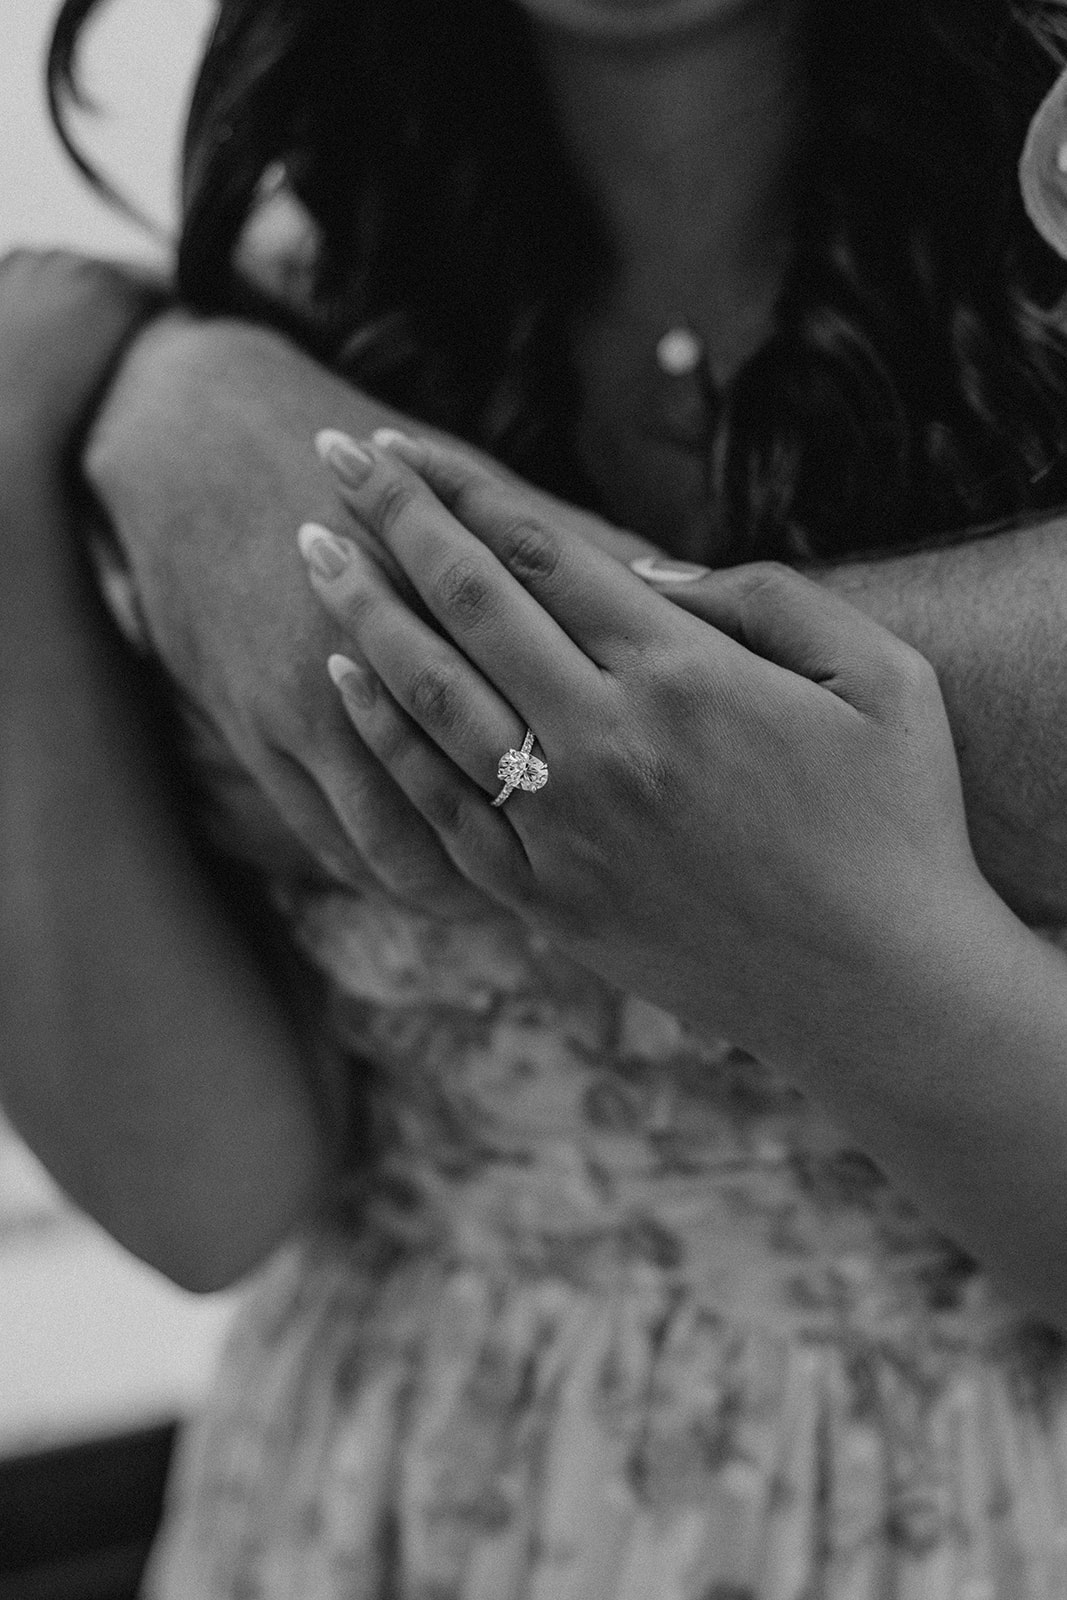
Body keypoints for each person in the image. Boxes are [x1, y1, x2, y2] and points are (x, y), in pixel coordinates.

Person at [7, 0, 1067, 1590]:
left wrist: (814, 932)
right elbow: (206, 1197)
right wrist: (62, 413)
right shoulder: (297, 304)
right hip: (366, 1507)